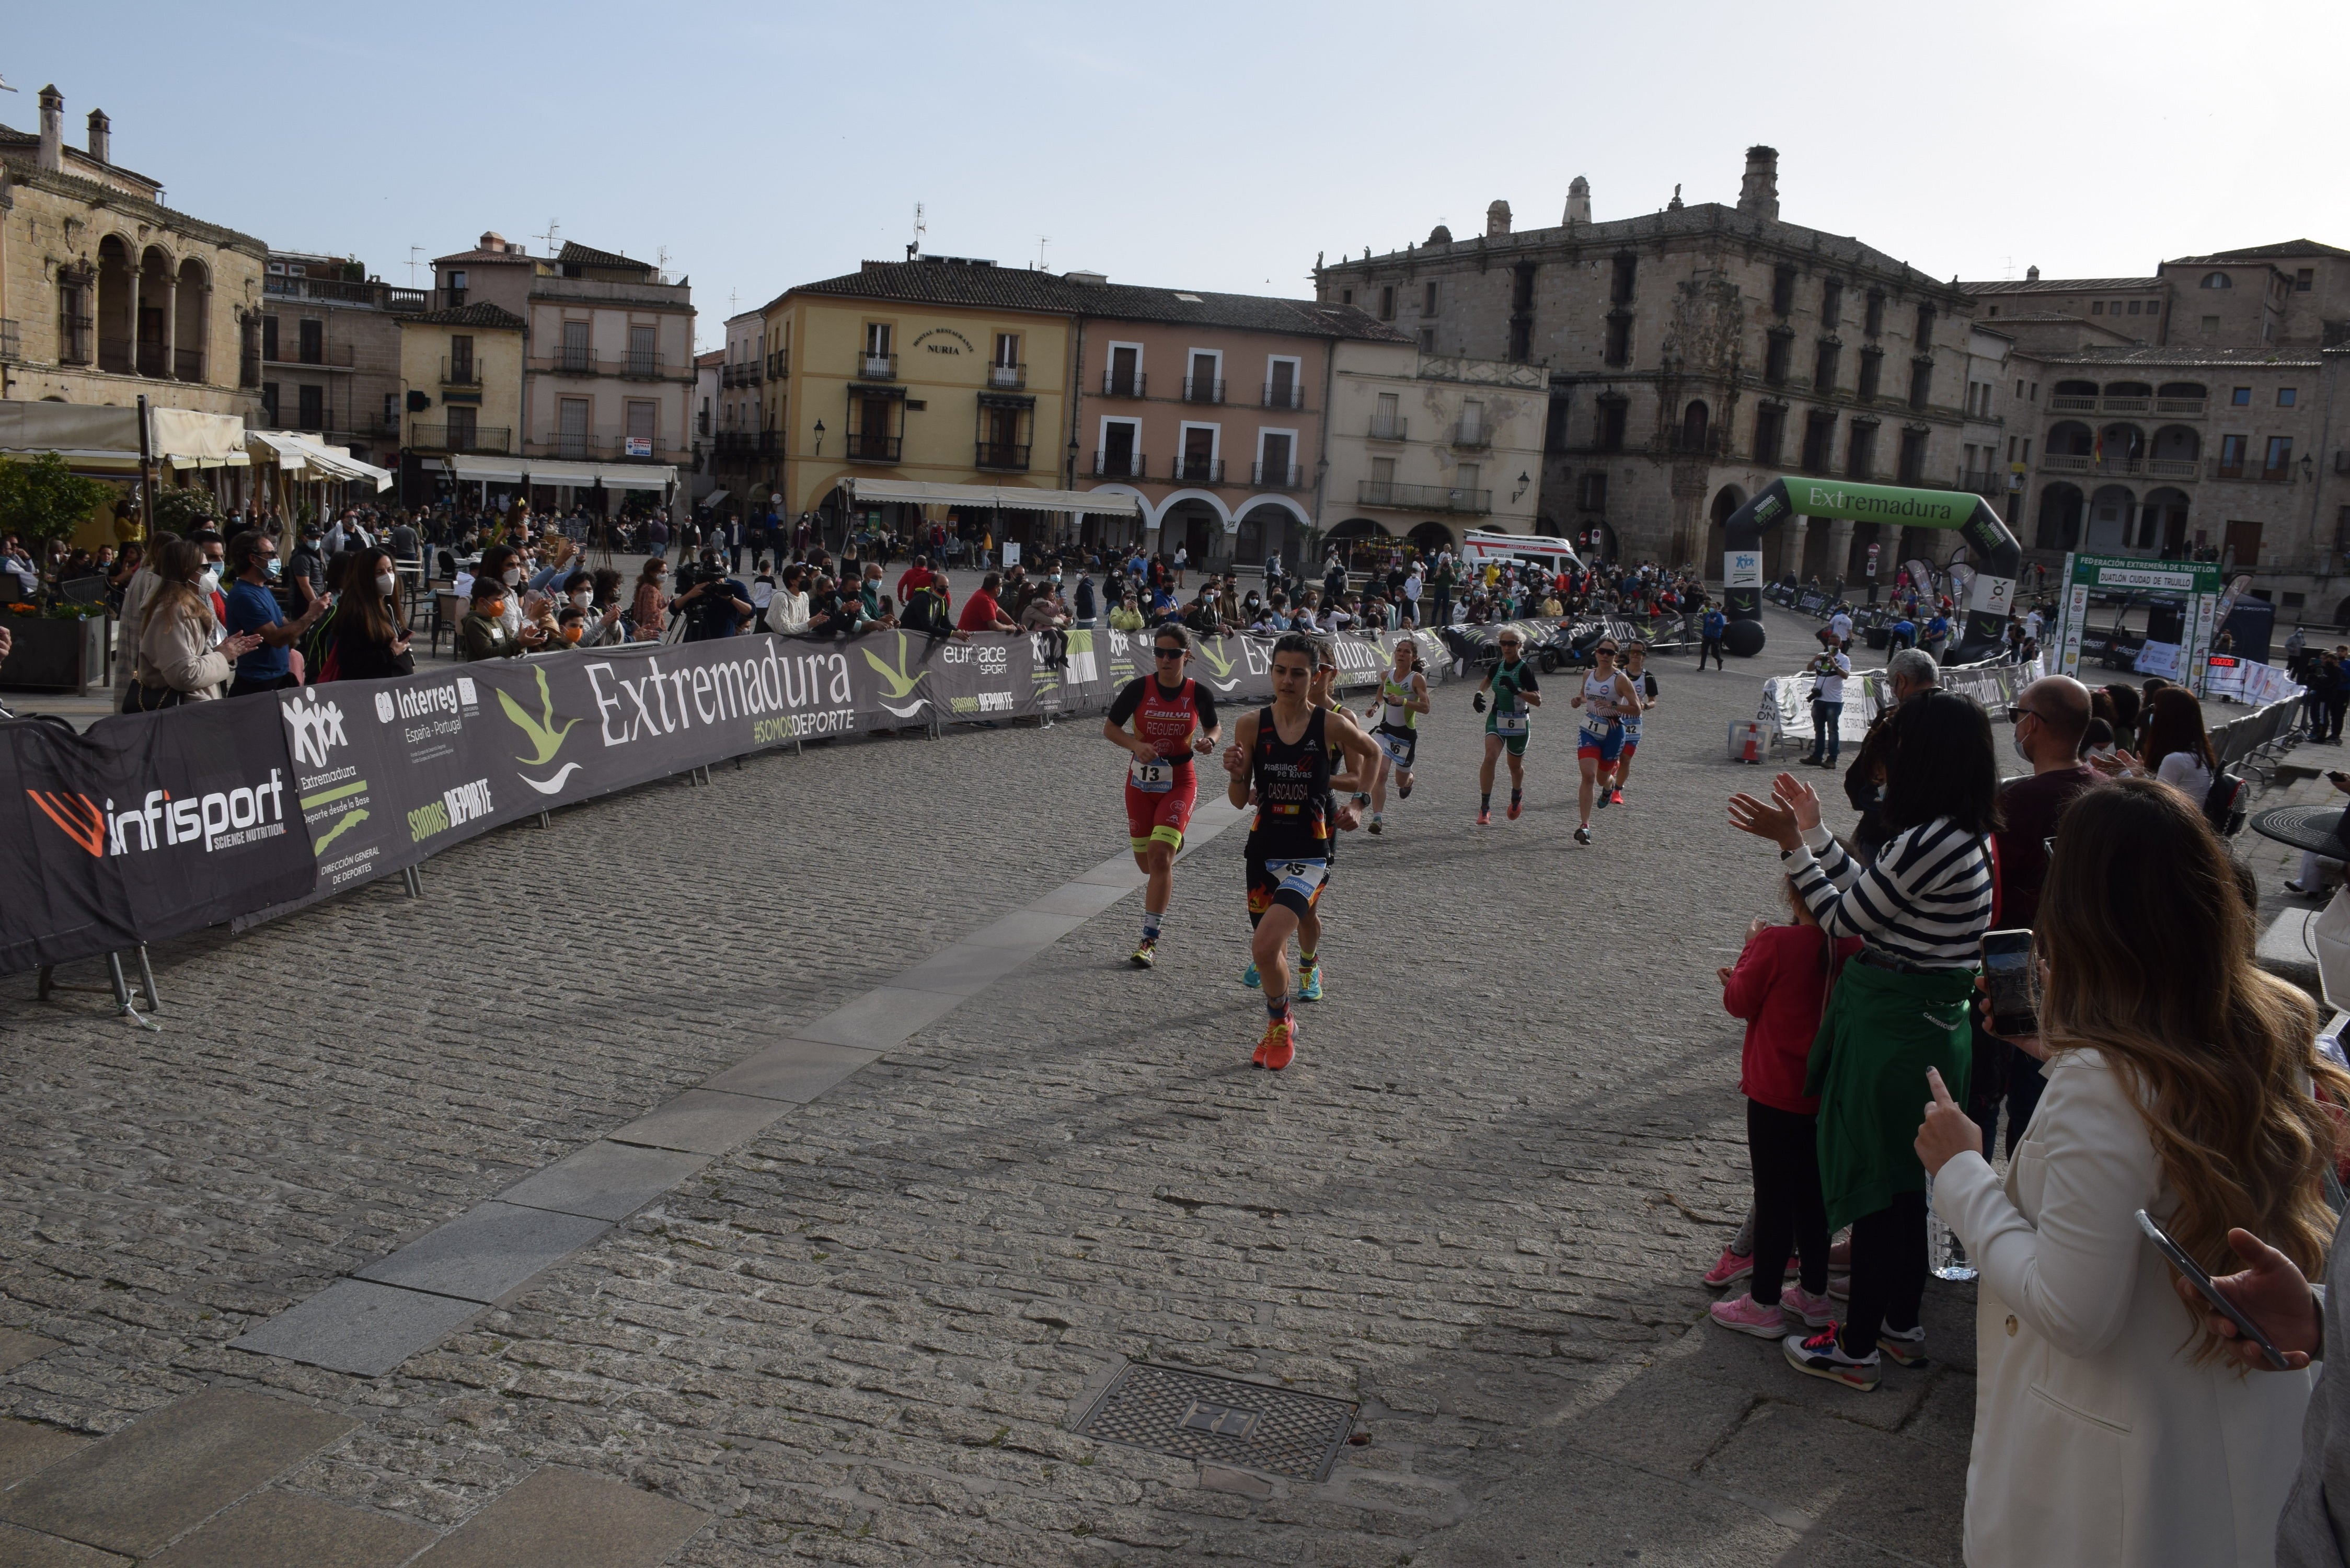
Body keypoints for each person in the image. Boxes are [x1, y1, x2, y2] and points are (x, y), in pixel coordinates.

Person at [1919, 778, 2344, 1566]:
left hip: (2117, 1487)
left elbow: (2074, 1311)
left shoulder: (2108, 1082)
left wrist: (1963, 1174)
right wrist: (2072, 1058)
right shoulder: (2266, 1019)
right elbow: (2165, 1110)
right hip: (2231, 1446)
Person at [1727, 689, 2000, 1390]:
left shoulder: (1929, 837)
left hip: (1898, 1030)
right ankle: (1898, 1325)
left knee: (1879, 1189)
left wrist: (1791, 847)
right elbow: (1879, 896)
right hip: (1932, 1023)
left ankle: (1854, 1347)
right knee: (1909, 1184)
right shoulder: (1960, 833)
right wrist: (1816, 835)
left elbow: (1845, 920)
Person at [1708, 876, 1861, 1341]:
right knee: (1815, 1197)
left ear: (1794, 897)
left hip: (1776, 1089)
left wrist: (1749, 951)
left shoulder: (1776, 942)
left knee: (1775, 1198)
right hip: (1826, 1092)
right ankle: (1814, 1295)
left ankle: (1764, 1303)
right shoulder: (1855, 947)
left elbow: (1739, 1001)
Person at [1221, 633, 1377, 1071]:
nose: (1288, 681)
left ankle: (1278, 1021)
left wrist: (1359, 806)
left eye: (1299, 673)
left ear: (1315, 677)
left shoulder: (1330, 724)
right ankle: (1282, 1018)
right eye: (1280, 671)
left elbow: (1374, 753)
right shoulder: (1251, 724)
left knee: (1265, 943)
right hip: (1263, 849)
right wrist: (1236, 775)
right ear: (1271, 672)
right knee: (1268, 954)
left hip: (1311, 851)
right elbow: (1238, 800)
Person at [1973, 676, 2099, 1157]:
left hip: (2014, 969)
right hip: (2081, 974)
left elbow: (1993, 897)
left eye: (2016, 714)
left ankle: (1975, 1216)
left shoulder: (2019, 802)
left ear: (2033, 723)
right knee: (2041, 1107)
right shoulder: (2103, 792)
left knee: (1986, 1098)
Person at [1104, 625, 1222, 968]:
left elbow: (1214, 726)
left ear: (1187, 655)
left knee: (1159, 859)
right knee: (1146, 865)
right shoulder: (1139, 688)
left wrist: (1210, 741)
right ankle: (1167, 838)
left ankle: (1149, 940)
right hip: (1140, 784)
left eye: (1173, 653)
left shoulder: (1199, 692)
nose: (1165, 659)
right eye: (1159, 652)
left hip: (1180, 780)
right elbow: (1110, 728)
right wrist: (1135, 745)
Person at [123, 539, 263, 710]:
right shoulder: (173, 611)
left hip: (192, 712)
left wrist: (220, 651)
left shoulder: (180, 606)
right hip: (184, 716)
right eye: (205, 568)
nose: (211, 574)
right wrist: (222, 656)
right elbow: (184, 674)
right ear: (186, 570)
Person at [223, 527, 329, 699]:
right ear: (253, 559)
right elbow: (277, 638)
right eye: (271, 554)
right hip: (257, 685)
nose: (277, 559)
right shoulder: (244, 596)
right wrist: (312, 614)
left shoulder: (262, 589)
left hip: (278, 678)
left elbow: (286, 629)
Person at [1569, 638, 1641, 845]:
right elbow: (1584, 696)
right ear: (1596, 652)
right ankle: (1585, 826)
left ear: (1616, 656)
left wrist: (1614, 706)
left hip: (1613, 731)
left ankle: (1610, 784)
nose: (1605, 656)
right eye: (1602, 651)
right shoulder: (1588, 674)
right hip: (1589, 729)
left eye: (1610, 653)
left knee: (1602, 779)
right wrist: (1578, 700)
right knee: (1589, 776)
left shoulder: (1620, 680)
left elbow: (1637, 708)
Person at [1474, 629, 1542, 829]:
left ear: (1519, 646)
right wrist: (1479, 694)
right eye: (1503, 643)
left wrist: (1517, 691)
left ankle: (1516, 794)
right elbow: (1488, 679)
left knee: (1514, 767)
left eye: (1511, 643)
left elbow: (1538, 700)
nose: (1507, 647)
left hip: (1519, 722)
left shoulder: (1524, 670)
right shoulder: (1497, 666)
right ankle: (1485, 807)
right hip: (1497, 718)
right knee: (1490, 757)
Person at [1361, 637, 1430, 835]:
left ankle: (1410, 780)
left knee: (1400, 781)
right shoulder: (1387, 675)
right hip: (1385, 731)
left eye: (1406, 652)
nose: (1401, 654)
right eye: (1399, 651)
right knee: (1381, 773)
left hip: (1406, 736)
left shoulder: (1416, 680)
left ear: (1413, 657)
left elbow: (1426, 707)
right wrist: (1375, 706)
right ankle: (1377, 819)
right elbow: (1382, 690)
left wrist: (1405, 702)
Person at [327, 549, 416, 682]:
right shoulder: (356, 612)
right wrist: (390, 653)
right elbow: (350, 661)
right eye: (379, 572)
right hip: (374, 692)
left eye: (390, 570)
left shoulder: (386, 604)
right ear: (365, 576)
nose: (388, 576)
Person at [1603, 641, 1657, 808]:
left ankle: (1617, 790)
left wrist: (1646, 706)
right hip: (1616, 719)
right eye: (1633, 652)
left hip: (1634, 721)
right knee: (1611, 757)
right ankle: (1612, 772)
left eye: (1639, 653)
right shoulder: (1619, 673)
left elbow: (1653, 701)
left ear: (1644, 656)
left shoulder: (1648, 677)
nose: (1635, 655)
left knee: (1626, 758)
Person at [460, 576, 538, 660]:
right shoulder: (475, 623)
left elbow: (510, 643)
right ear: (482, 601)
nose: (501, 604)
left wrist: (524, 641)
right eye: (497, 600)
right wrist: (519, 643)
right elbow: (488, 655)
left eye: (502, 600)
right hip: (483, 671)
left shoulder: (495, 619)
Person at [1801, 643, 1852, 769]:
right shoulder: (1822, 656)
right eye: (1830, 642)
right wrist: (1814, 660)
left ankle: (1832, 759)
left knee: (1833, 730)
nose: (1832, 646)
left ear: (1840, 645)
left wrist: (1835, 665)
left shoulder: (1844, 659)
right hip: (1819, 699)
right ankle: (1817, 756)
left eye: (1835, 643)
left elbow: (1845, 675)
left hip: (1834, 701)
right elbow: (1809, 669)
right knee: (1819, 729)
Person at [958, 571, 1019, 635]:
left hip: (974, 636)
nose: (1001, 588)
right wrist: (1009, 627)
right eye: (1001, 586)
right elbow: (994, 626)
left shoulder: (985, 594)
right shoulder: (984, 599)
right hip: (970, 637)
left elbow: (998, 610)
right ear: (996, 588)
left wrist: (1014, 624)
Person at [630, 559, 669, 642]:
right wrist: (667, 607)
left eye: (667, 572)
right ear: (652, 573)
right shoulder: (651, 590)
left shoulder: (645, 586)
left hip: (644, 629)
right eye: (662, 572)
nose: (665, 575)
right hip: (652, 631)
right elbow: (652, 614)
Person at [1698, 604, 1727, 671]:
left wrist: (1714, 622)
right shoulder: (1708, 615)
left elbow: (1721, 625)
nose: (1711, 609)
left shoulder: (1719, 616)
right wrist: (1703, 634)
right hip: (1707, 635)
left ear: (1716, 609)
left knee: (1714, 653)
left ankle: (1719, 660)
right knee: (1704, 651)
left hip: (1715, 636)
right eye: (1711, 607)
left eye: (1713, 607)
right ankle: (1702, 667)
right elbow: (1705, 625)